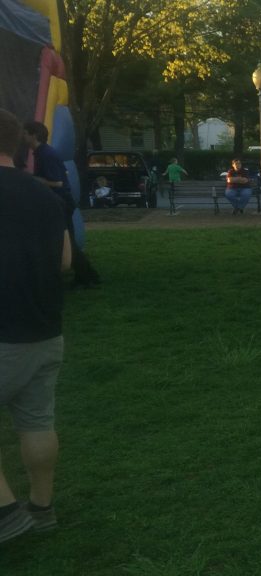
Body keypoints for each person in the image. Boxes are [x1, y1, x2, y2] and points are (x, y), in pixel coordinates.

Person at [0, 108, 71, 543]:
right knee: (37, 423)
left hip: (3, 333)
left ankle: (6, 512)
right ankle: (41, 509)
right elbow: (64, 261)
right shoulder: (45, 196)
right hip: (45, 331)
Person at [23, 120, 101, 287]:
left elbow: (58, 182)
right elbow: (61, 176)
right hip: (60, 202)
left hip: (60, 203)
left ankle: (87, 276)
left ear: (33, 135)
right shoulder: (43, 152)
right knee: (67, 242)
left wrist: (33, 179)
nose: (23, 136)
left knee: (66, 242)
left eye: (25, 133)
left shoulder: (46, 154)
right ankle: (87, 276)